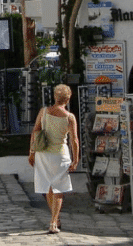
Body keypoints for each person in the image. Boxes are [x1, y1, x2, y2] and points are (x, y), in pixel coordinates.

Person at [28, 84, 79, 234]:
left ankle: (55, 218)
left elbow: (35, 131)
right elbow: (74, 140)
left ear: (55, 97)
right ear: (68, 99)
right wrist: (76, 160)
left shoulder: (43, 112)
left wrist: (31, 151)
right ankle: (53, 222)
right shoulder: (70, 117)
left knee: (48, 187)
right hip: (60, 155)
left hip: (43, 153)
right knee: (58, 189)